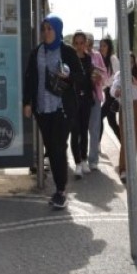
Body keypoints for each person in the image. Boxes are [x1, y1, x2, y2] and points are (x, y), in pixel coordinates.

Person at [23, 14, 82, 211]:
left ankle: (61, 191)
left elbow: (81, 78)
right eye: (44, 29)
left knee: (58, 147)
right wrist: (27, 102)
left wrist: (68, 75)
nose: (46, 32)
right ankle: (60, 188)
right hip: (42, 109)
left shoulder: (67, 51)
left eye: (50, 29)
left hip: (61, 108)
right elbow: (30, 78)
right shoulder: (36, 53)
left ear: (57, 30)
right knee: (51, 146)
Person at [111, 53, 137, 181]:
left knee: (134, 138)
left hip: (134, 106)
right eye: (126, 62)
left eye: (131, 62)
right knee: (124, 138)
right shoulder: (119, 75)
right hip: (124, 106)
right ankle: (123, 169)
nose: (129, 64)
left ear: (134, 63)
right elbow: (112, 91)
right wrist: (117, 92)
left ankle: (131, 168)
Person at [70, 31, 95, 178]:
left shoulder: (88, 59)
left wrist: (94, 77)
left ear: (86, 44)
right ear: (74, 44)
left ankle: (84, 159)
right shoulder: (70, 58)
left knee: (84, 130)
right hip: (73, 100)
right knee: (75, 131)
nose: (79, 46)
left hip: (86, 99)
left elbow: (89, 78)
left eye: (82, 43)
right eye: (77, 43)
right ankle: (77, 163)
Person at [85, 33, 106, 171]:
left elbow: (105, 73)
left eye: (91, 43)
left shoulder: (97, 56)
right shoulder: (77, 55)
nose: (89, 46)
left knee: (94, 129)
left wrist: (99, 76)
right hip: (81, 97)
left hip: (95, 96)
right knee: (80, 130)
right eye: (87, 43)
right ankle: (80, 158)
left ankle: (93, 160)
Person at [99, 37, 120, 143]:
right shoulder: (103, 60)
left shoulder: (113, 58)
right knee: (112, 122)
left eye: (104, 46)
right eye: (101, 46)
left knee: (99, 117)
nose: (102, 48)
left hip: (113, 94)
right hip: (108, 92)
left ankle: (96, 145)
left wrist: (105, 82)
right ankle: (124, 144)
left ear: (109, 47)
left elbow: (117, 76)